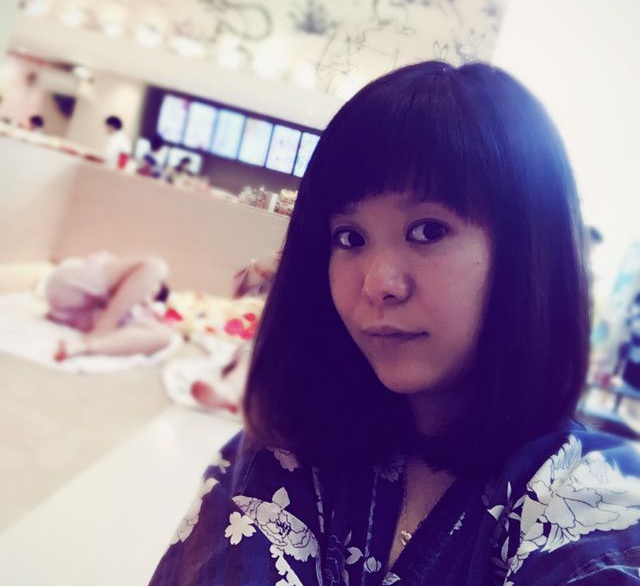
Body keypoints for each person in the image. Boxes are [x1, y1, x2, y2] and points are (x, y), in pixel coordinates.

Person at [149, 62, 640, 586]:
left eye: (428, 230)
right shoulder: (284, 455)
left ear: (527, 252)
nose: (378, 284)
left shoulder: (586, 495)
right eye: (350, 238)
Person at [45, 252, 175, 360]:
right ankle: (102, 330)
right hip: (73, 285)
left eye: (153, 298)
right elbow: (149, 268)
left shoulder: (137, 311)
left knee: (165, 336)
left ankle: (85, 347)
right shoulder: (124, 272)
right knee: (157, 266)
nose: (147, 299)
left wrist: (151, 316)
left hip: (69, 314)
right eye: (151, 291)